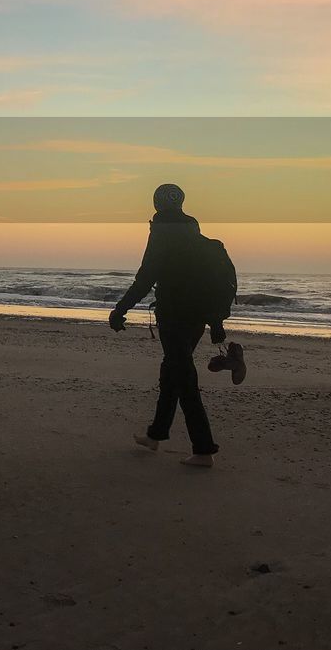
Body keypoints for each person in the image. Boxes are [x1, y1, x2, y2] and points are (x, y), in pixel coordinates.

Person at [108, 183, 244, 468]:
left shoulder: (161, 233)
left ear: (157, 205)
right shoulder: (196, 234)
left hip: (173, 316)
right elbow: (208, 284)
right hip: (197, 318)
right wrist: (215, 322)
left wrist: (119, 311)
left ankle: (204, 449)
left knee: (183, 378)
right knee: (172, 370)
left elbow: (145, 279)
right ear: (181, 203)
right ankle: (155, 435)